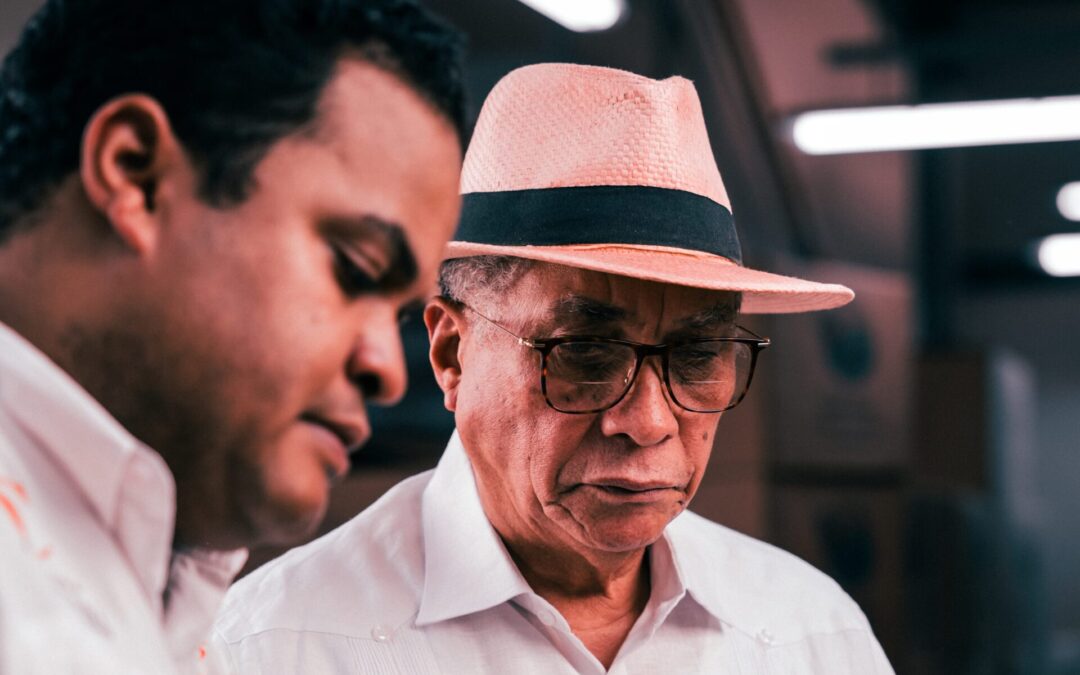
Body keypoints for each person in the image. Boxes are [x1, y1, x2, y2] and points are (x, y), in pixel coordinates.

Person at [212, 63, 894, 674]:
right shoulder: (276, 647)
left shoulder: (811, 635)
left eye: (695, 355)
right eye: (585, 354)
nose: (649, 422)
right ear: (453, 353)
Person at [0, 0, 465, 672]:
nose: (390, 370)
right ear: (137, 175)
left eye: (398, 315)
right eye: (353, 267)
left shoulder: (174, 611)